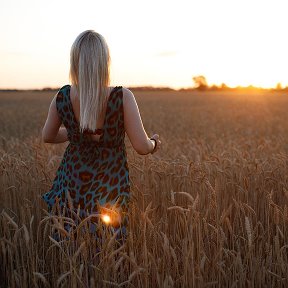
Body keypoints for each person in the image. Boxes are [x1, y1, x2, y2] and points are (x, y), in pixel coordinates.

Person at [41, 30, 161, 244]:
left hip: (72, 182)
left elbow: (47, 136)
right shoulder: (121, 97)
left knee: (71, 241)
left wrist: (76, 133)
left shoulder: (63, 96)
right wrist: (154, 143)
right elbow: (142, 147)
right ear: (105, 61)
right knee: (108, 246)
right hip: (110, 184)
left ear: (75, 62)